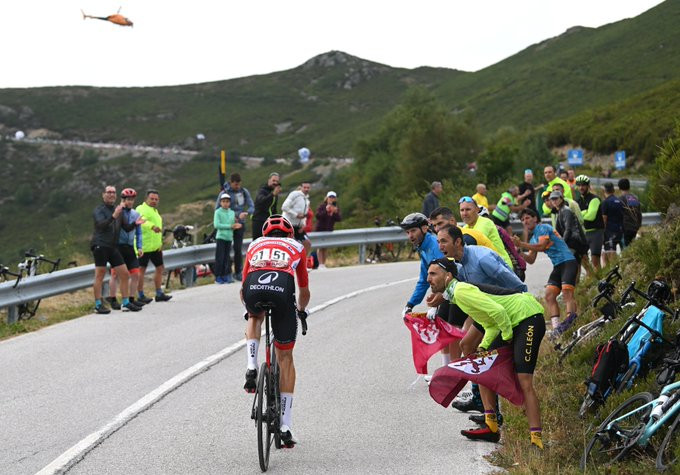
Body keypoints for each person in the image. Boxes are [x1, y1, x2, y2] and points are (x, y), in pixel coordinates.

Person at [426, 257, 545, 449]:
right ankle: (491, 425)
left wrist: (506, 336)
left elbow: (498, 312)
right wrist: (485, 347)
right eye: (428, 274)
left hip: (527, 316)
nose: (428, 279)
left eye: (433, 274)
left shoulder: (461, 291)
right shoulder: (455, 294)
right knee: (480, 364)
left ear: (448, 276)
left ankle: (536, 440)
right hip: (510, 320)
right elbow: (490, 322)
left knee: (524, 380)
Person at [241, 215, 310, 448]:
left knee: (254, 316)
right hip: (282, 289)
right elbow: (303, 289)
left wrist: (250, 309)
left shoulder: (254, 245)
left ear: (264, 234)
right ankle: (286, 426)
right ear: (289, 235)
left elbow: (243, 286)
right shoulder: (297, 246)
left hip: (253, 288)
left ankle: (251, 366)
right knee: (286, 357)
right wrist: (301, 310)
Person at [513, 209, 578, 336]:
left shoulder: (543, 228)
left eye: (527, 218)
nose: (525, 221)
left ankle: (571, 323)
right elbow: (531, 260)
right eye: (522, 220)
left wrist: (521, 243)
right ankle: (557, 328)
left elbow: (542, 246)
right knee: (549, 295)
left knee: (567, 292)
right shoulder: (533, 239)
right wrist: (519, 252)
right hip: (558, 266)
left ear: (535, 219)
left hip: (568, 262)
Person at [90, 185, 141, 313]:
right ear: (103, 195)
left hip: (112, 247)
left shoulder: (118, 210)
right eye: (108, 192)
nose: (111, 194)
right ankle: (98, 305)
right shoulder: (99, 210)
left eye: (113, 192)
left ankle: (125, 303)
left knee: (124, 274)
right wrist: (114, 216)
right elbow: (101, 225)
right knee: (100, 275)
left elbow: (126, 228)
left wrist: (136, 223)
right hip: (100, 245)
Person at [399, 212, 443, 317]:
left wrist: (436, 306)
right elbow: (424, 280)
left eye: (413, 231)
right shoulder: (423, 249)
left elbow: (445, 279)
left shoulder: (435, 247)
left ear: (424, 229)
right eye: (407, 232)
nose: (410, 236)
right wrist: (410, 304)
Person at [108, 188, 145, 310]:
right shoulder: (117, 211)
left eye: (132, 200)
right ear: (122, 200)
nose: (130, 202)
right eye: (128, 199)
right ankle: (113, 299)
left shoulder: (135, 214)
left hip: (129, 247)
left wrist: (139, 247)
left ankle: (131, 299)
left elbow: (139, 233)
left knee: (135, 274)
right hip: (117, 247)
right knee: (115, 275)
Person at [136, 190, 172, 303]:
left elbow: (158, 230)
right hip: (144, 246)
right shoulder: (141, 209)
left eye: (156, 199)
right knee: (141, 270)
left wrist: (160, 244)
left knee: (160, 268)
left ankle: (159, 293)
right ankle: (140, 295)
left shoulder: (155, 211)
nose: (154, 201)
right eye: (152, 199)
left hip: (155, 247)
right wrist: (152, 226)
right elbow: (141, 221)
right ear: (146, 199)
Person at [217, 173, 254, 281]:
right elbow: (217, 209)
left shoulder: (244, 192)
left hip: (240, 224)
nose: (237, 187)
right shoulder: (225, 193)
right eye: (235, 185)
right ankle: (227, 273)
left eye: (239, 184)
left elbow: (252, 206)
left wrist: (246, 213)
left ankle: (238, 272)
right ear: (231, 182)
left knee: (238, 249)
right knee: (226, 249)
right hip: (228, 225)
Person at [458, 197, 513, 269]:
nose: (464, 213)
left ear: (477, 210)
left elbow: (471, 241)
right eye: (462, 210)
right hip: (489, 267)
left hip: (502, 267)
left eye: (468, 209)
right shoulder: (466, 227)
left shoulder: (485, 222)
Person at [428, 207, 499, 254]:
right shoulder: (452, 238)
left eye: (440, 223)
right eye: (434, 226)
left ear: (452, 221)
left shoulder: (467, 238)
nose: (436, 229)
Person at [549, 191, 588, 268]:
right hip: (572, 241)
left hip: (575, 242)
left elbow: (568, 229)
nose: (554, 201)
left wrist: (562, 243)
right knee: (578, 266)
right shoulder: (559, 211)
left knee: (574, 266)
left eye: (556, 199)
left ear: (561, 198)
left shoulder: (566, 210)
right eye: (552, 199)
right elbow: (558, 231)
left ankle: (595, 278)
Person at [575, 175, 604, 271]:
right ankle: (591, 279)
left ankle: (599, 279)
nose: (581, 187)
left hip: (596, 232)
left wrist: (581, 214)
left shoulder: (594, 199)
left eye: (583, 185)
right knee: (583, 259)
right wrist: (585, 213)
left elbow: (591, 217)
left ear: (588, 186)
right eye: (579, 185)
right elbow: (575, 217)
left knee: (595, 260)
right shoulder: (577, 201)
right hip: (584, 233)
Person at [214, 193, 242, 284]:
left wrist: (236, 225)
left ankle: (225, 276)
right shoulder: (217, 212)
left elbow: (232, 224)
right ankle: (218, 276)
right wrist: (230, 226)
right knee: (220, 258)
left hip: (229, 238)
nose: (225, 203)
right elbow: (217, 225)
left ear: (229, 203)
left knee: (226, 258)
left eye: (227, 201)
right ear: (220, 202)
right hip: (221, 237)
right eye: (223, 201)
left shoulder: (232, 212)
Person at [281, 181, 312, 254]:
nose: (306, 189)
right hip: (288, 225)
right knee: (289, 246)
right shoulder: (294, 194)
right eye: (304, 187)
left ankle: (304, 262)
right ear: (301, 187)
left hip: (298, 227)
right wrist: (296, 215)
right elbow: (284, 207)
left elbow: (304, 214)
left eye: (308, 188)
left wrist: (303, 225)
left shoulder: (307, 200)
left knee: (307, 243)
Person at [315, 191, 342, 269]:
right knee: (320, 247)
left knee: (325, 247)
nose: (331, 199)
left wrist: (335, 212)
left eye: (333, 197)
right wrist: (326, 211)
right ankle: (320, 264)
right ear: (327, 198)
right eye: (330, 197)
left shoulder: (335, 207)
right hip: (320, 229)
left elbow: (339, 219)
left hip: (329, 229)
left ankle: (323, 263)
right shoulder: (322, 206)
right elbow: (318, 216)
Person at [252, 172, 281, 240]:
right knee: (258, 242)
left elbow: (273, 208)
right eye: (273, 180)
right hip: (259, 221)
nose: (275, 183)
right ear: (269, 180)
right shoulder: (262, 190)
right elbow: (261, 202)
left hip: (269, 222)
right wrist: (272, 194)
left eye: (277, 181)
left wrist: (277, 221)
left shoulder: (274, 193)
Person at [601, 182, 624, 265]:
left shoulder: (605, 202)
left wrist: (602, 233)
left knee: (610, 253)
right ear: (613, 190)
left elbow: (604, 219)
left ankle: (613, 272)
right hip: (620, 230)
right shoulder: (619, 201)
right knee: (606, 254)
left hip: (609, 231)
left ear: (604, 190)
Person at [618, 178, 642, 247]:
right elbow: (639, 213)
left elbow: (619, 215)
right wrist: (638, 225)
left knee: (625, 249)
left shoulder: (620, 199)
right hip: (634, 227)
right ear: (629, 186)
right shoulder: (635, 198)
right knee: (631, 247)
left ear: (619, 188)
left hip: (625, 228)